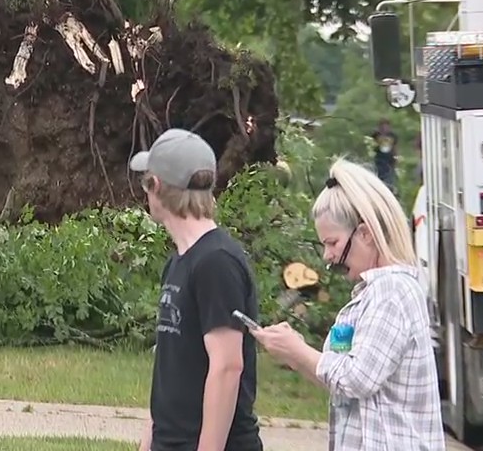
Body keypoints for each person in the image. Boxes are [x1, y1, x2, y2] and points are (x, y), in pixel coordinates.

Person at [248, 158, 444, 451]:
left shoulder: (391, 291)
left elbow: (357, 379)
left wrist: (297, 350)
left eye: (332, 243)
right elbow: (340, 380)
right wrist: (294, 353)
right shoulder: (369, 296)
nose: (327, 256)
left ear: (365, 233)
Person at [130, 128, 264, 451]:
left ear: (156, 186)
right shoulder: (179, 262)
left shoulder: (216, 262)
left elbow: (227, 367)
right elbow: (170, 369)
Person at [370, 119, 398, 192]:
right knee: (379, 178)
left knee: (389, 179)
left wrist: (395, 156)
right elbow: (372, 143)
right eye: (383, 127)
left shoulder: (392, 136)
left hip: (389, 160)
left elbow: (395, 147)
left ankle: (389, 191)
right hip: (379, 160)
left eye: (386, 126)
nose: (385, 128)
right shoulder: (377, 135)